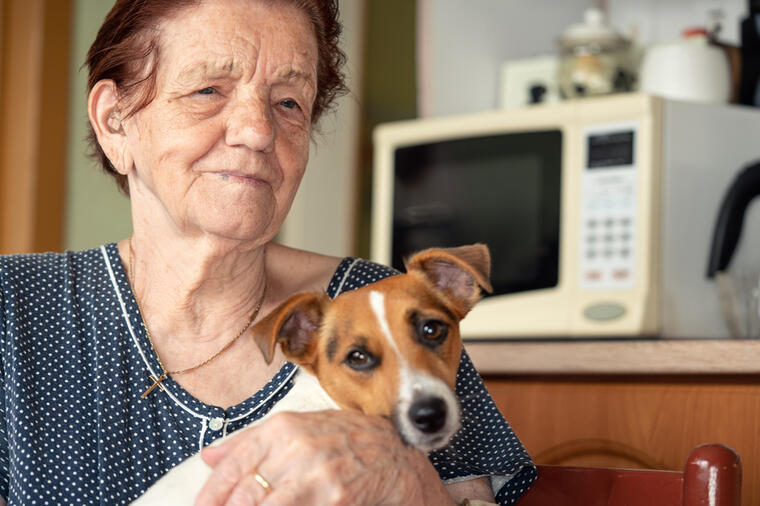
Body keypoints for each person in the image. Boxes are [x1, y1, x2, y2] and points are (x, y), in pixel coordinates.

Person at [0, 0, 536, 504]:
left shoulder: (383, 306)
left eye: (287, 102)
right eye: (208, 89)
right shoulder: (13, 308)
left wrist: (407, 479)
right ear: (115, 122)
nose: (257, 131)